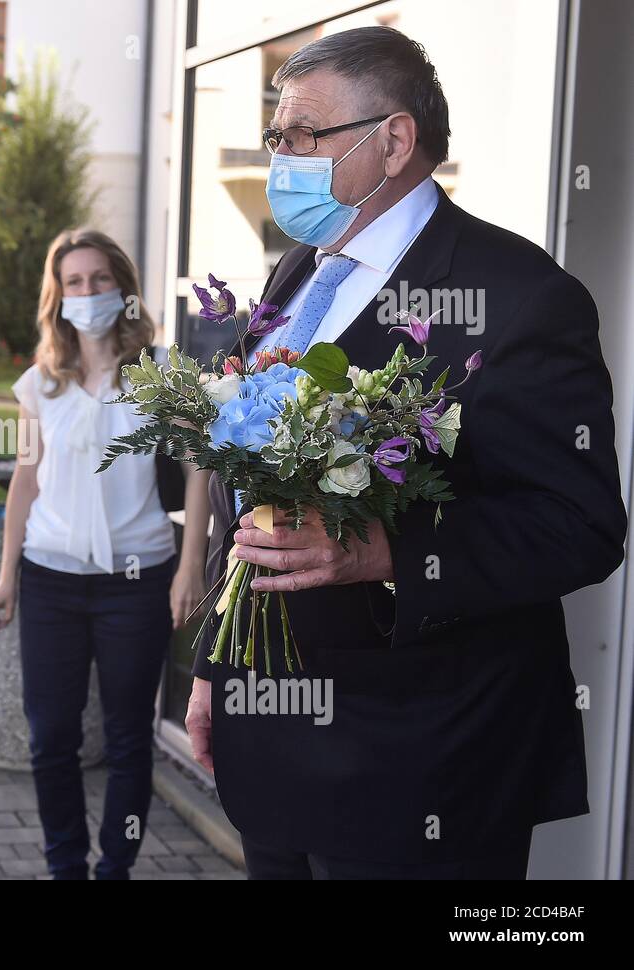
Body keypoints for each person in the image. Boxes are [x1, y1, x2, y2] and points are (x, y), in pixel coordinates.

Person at [185, 26, 626, 879]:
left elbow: (580, 526)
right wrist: (216, 666)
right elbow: (252, 496)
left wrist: (386, 552)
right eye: (279, 135)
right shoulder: (296, 273)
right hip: (272, 740)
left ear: (393, 142)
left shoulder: (522, 296)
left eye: (303, 134)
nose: (283, 155)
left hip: (425, 764)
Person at [0, 228, 209, 880]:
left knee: (128, 739)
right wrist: (6, 579)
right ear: (59, 297)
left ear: (123, 289)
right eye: (74, 282)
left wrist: (190, 565)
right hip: (49, 579)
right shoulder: (41, 383)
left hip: (137, 581)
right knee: (51, 739)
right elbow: (25, 480)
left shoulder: (162, 372)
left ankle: (115, 868)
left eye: (99, 279)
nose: (87, 292)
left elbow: (201, 468)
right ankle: (65, 868)